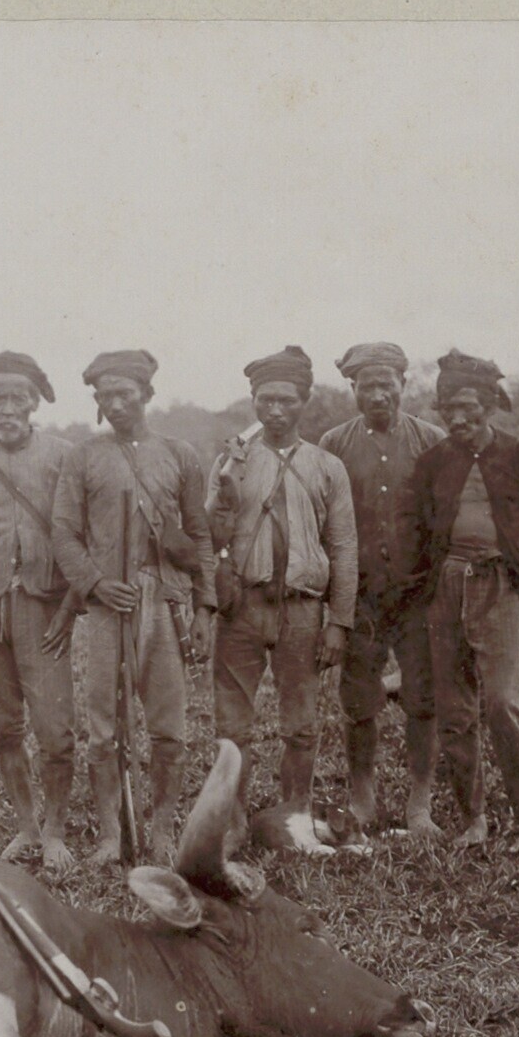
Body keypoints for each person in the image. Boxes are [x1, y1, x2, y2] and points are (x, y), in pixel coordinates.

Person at [53, 349, 213, 866]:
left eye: (125, 394)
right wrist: (96, 583)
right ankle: (109, 835)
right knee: (104, 729)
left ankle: (162, 830)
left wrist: (204, 606)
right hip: (108, 607)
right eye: (106, 397)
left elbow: (200, 535)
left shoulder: (180, 455)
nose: (116, 405)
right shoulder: (83, 457)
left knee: (169, 729)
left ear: (146, 394)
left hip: (165, 602)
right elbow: (64, 533)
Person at [399, 348, 519, 851]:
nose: (458, 418)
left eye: (468, 407)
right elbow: (419, 531)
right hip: (446, 587)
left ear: (489, 406)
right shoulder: (433, 463)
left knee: (505, 702)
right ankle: (474, 820)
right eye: (449, 409)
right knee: (455, 710)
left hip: (500, 584)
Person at [209, 346, 358, 853]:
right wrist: (226, 486)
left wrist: (339, 621)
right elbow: (211, 534)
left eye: (287, 400)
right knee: (233, 726)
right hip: (243, 607)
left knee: (302, 725)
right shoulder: (231, 461)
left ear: (304, 402)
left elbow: (344, 546)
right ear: (253, 400)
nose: (275, 410)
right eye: (265, 400)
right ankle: (232, 822)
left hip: (302, 609)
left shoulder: (327, 466)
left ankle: (295, 815)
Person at [317, 340, 447, 835]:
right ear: (352, 388)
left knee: (422, 698)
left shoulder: (431, 441)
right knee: (358, 702)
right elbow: (325, 524)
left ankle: (420, 802)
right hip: (361, 596)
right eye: (366, 386)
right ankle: (362, 796)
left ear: (403, 385)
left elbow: (444, 521)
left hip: (418, 595)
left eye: (386, 385)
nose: (377, 395)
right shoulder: (334, 444)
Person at [0, 349, 79, 876]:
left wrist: (70, 607)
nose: (7, 409)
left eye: (17, 398)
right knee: (4, 728)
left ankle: (56, 831)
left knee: (55, 733)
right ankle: (27, 826)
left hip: (43, 607)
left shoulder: (63, 457)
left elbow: (81, 535)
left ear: (34, 403)